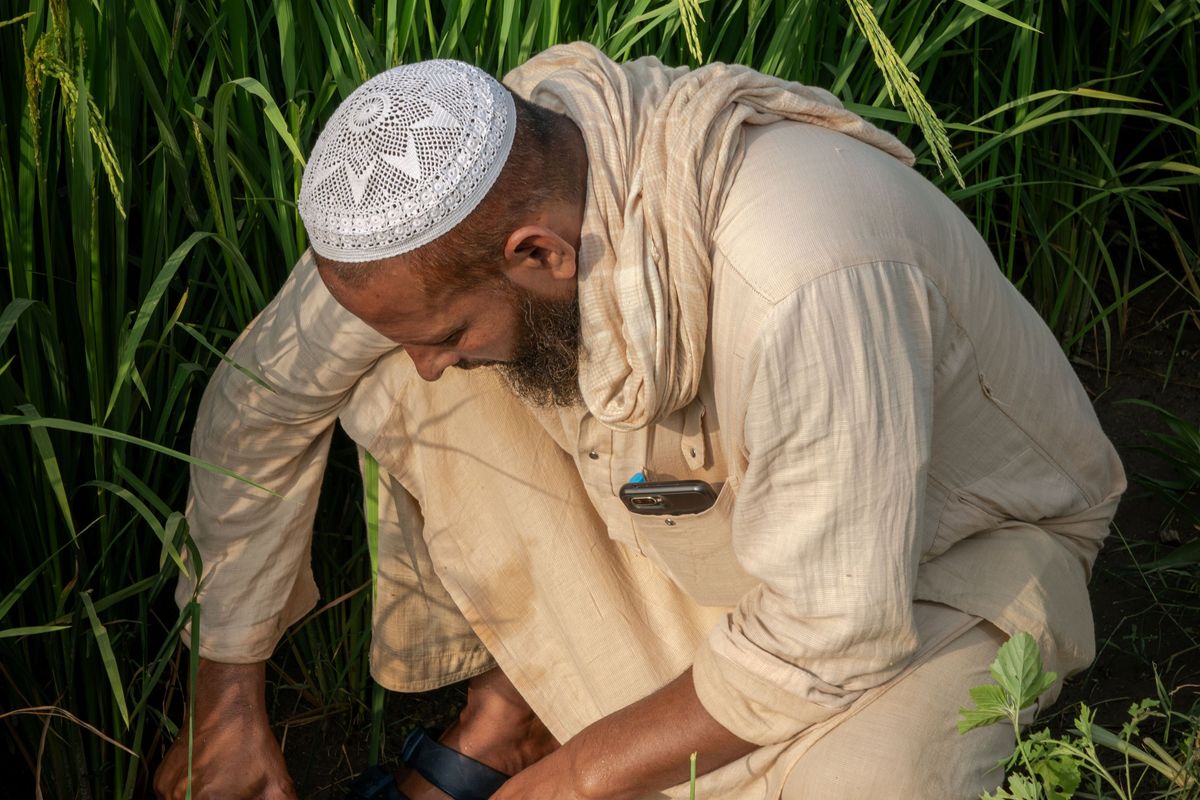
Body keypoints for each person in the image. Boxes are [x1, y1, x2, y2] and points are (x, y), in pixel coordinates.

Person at [153, 44, 1125, 800]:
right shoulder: (467, 203)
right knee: (394, 374)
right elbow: (264, 392)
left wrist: (573, 778)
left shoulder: (805, 274)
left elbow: (830, 629)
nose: (429, 354)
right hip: (691, 500)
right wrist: (225, 697)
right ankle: (516, 707)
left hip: (936, 558)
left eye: (444, 328)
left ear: (537, 253)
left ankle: (559, 734)